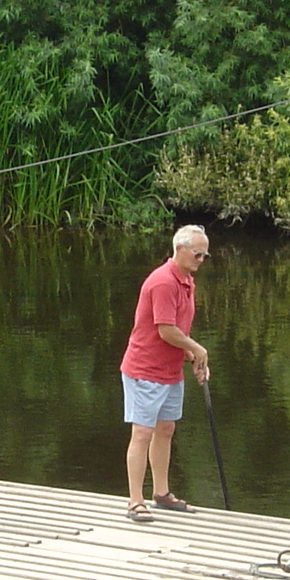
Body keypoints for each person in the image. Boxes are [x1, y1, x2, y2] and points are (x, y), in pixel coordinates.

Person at [120, 224, 211, 523]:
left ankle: (161, 493)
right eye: (197, 254)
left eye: (205, 255)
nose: (201, 259)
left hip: (170, 370)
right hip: (145, 369)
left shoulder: (187, 281)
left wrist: (191, 356)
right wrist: (197, 348)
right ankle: (135, 501)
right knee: (142, 432)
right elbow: (165, 329)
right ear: (180, 250)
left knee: (166, 430)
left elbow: (178, 332)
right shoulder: (162, 282)